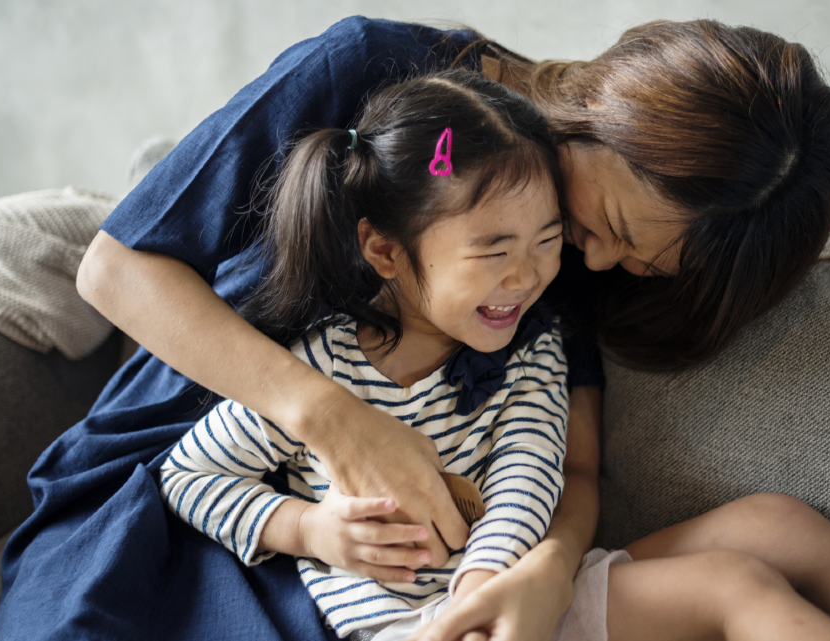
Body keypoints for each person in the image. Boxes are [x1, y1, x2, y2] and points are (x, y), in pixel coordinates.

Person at [0, 15, 830, 641]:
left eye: (620, 262)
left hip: (425, 569)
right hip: (174, 488)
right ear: (604, 115)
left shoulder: (548, 272)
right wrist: (336, 420)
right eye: (606, 225)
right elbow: (114, 268)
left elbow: (569, 458)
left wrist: (548, 566)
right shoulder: (371, 76)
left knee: (768, 540)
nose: (584, 264)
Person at [158, 70, 572, 640]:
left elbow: (528, 471)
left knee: (724, 575)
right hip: (396, 627)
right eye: (493, 251)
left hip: (512, 600)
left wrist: (483, 585)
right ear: (385, 250)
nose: (527, 275)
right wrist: (306, 529)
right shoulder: (322, 364)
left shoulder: (533, 348)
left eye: (547, 242)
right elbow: (188, 475)